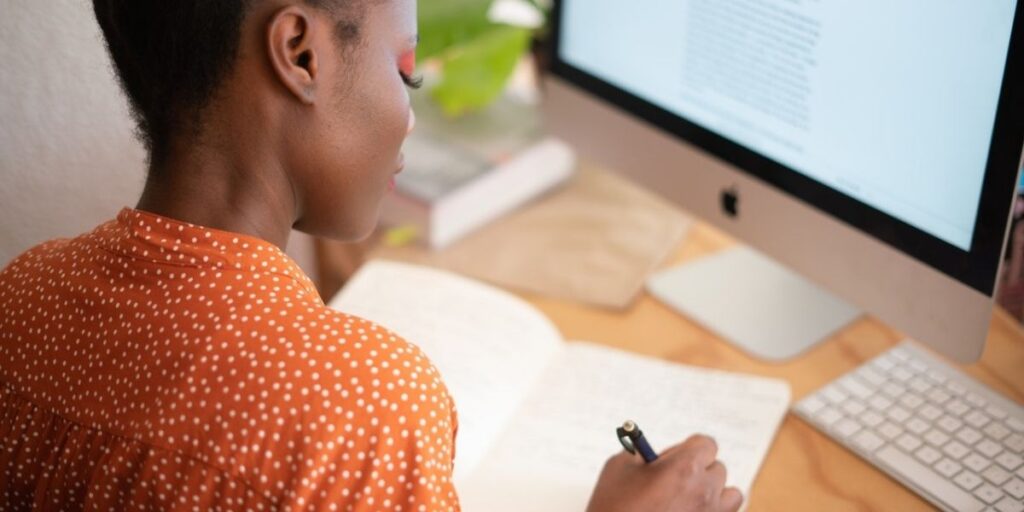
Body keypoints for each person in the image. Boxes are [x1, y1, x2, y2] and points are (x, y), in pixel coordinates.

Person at [0, 1, 743, 510]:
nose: (410, 115)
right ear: (301, 53)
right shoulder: (365, 410)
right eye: (405, 70)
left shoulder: (21, 298)